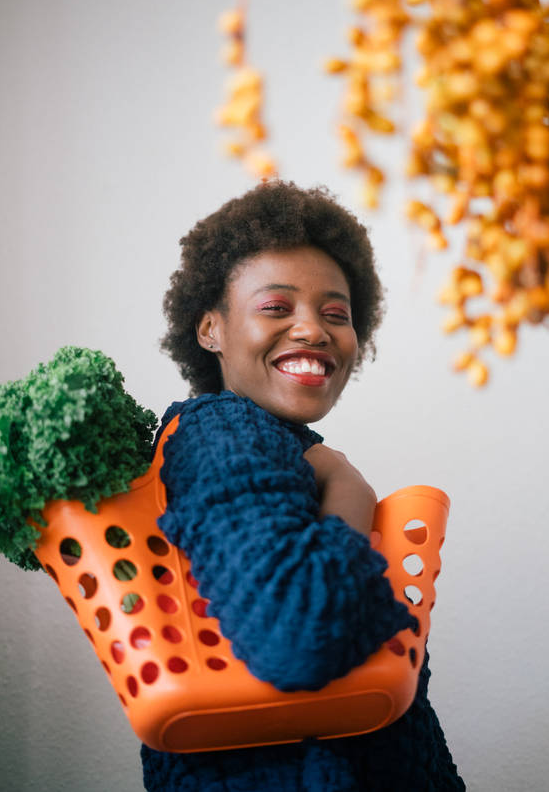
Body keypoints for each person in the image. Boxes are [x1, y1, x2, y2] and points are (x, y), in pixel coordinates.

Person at [141, 179, 465, 791]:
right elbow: (297, 632)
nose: (313, 330)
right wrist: (348, 485)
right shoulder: (219, 429)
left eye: (336, 314)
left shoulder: (277, 446)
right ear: (210, 329)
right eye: (276, 307)